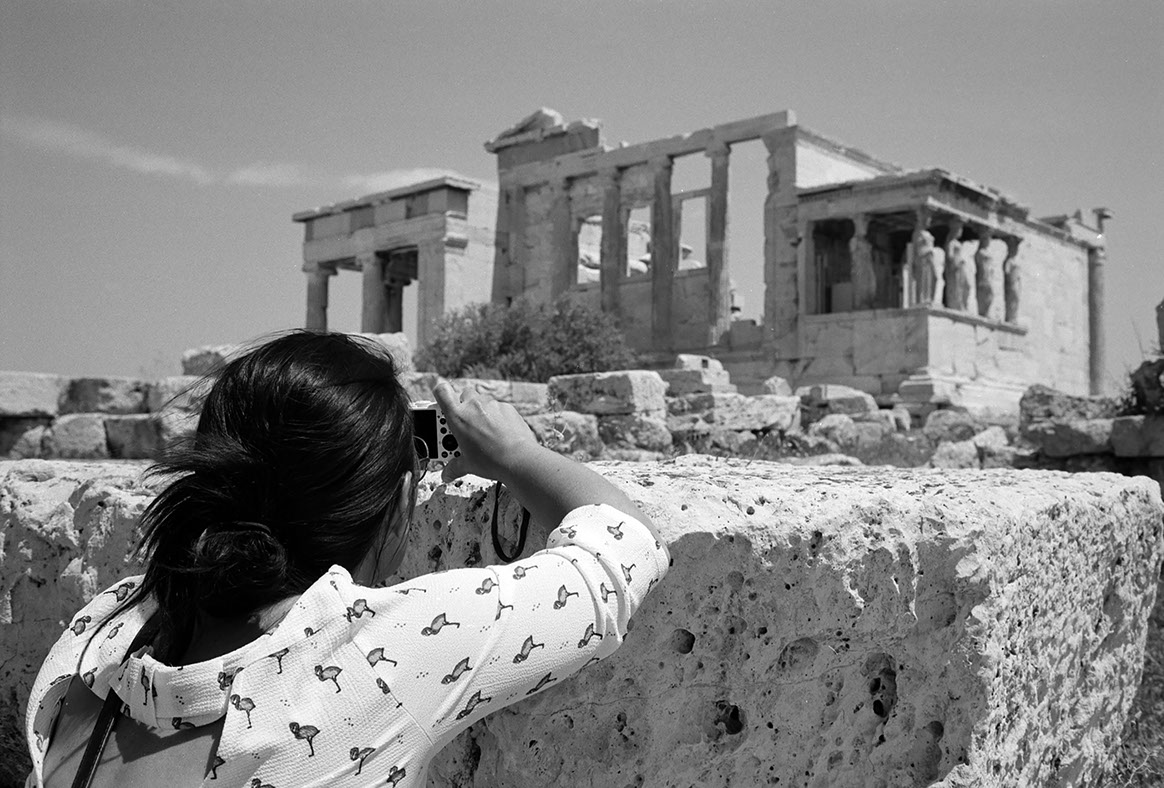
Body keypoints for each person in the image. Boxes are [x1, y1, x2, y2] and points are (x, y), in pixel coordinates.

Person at [24, 331, 669, 788]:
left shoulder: (105, 628)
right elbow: (624, 549)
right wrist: (519, 456)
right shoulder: (381, 652)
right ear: (388, 508)